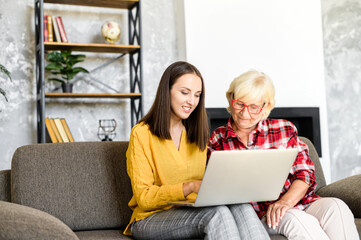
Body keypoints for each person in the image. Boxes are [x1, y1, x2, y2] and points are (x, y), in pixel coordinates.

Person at [124, 62, 270, 240]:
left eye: (197, 95)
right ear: (166, 91)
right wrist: (189, 187)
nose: (191, 101)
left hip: (190, 209)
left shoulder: (196, 133)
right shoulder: (141, 134)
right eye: (184, 92)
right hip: (150, 218)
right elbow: (144, 198)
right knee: (217, 214)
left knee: (243, 207)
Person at [208, 70, 360, 240]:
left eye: (253, 107)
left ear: (265, 106)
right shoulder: (218, 139)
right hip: (262, 215)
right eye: (239, 104)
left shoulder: (284, 129)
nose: (244, 114)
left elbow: (305, 174)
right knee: (296, 219)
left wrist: (285, 202)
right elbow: (215, 188)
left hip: (299, 203)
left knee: (336, 206)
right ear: (231, 98)